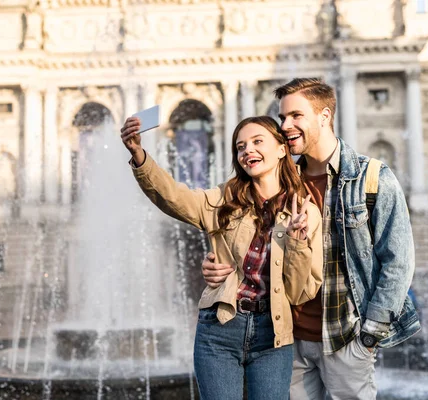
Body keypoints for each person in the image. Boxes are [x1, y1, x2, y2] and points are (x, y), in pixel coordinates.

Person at [201, 78, 421, 399]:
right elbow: (245, 242)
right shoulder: (277, 181)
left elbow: (398, 261)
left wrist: (370, 335)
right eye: (282, 118)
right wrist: (216, 264)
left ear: (324, 116)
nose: (285, 126)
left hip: (345, 339)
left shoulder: (372, 177)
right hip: (285, 339)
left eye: (295, 116)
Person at [120, 115, 323, 400]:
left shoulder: (306, 212)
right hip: (219, 326)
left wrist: (298, 243)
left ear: (281, 149)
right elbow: (175, 199)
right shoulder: (224, 200)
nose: (247, 151)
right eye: (240, 147)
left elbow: (302, 292)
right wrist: (140, 157)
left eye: (257, 142)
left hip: (273, 334)